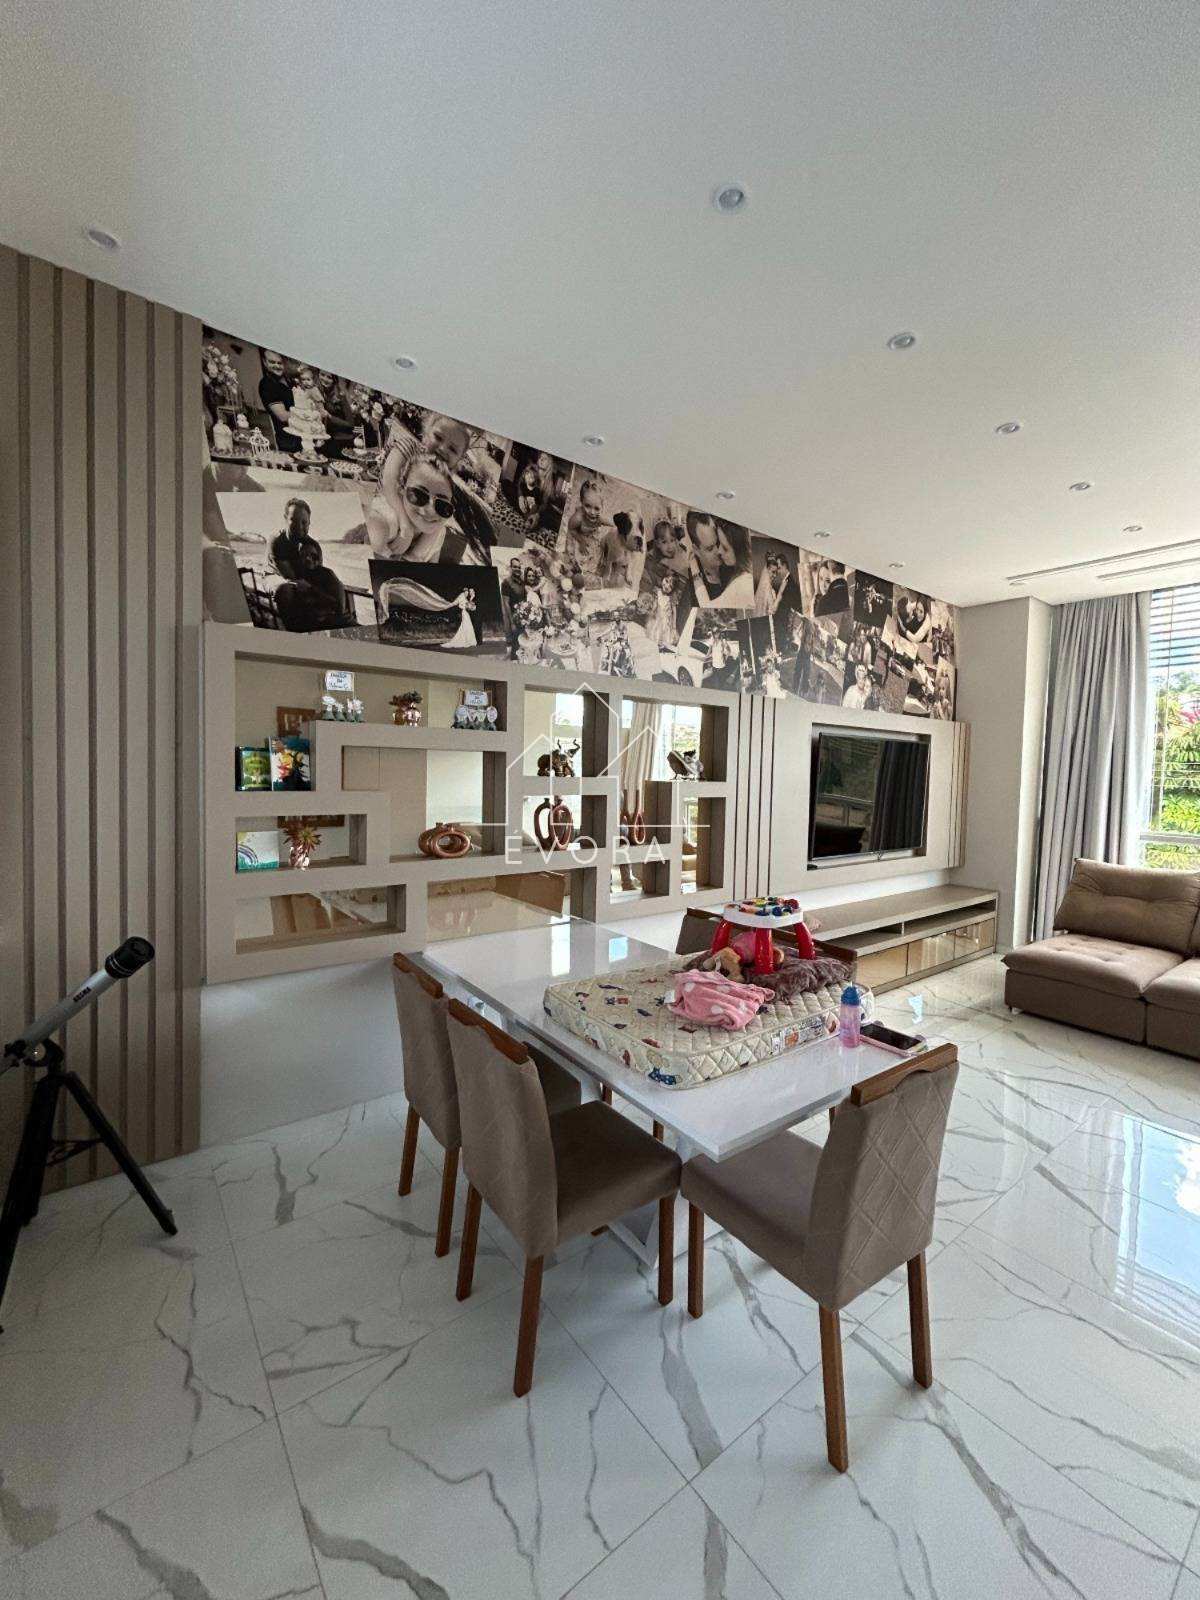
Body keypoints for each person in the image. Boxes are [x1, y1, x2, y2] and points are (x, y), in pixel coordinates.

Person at [274, 535, 354, 631]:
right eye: (304, 555)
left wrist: (310, 589)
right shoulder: (301, 576)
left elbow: (338, 606)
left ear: (318, 558)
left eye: (313, 555)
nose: (308, 559)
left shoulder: (327, 574)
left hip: (335, 622)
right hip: (315, 623)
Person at [686, 513, 754, 609]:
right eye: (710, 548)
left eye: (719, 542)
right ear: (696, 550)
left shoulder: (733, 564)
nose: (718, 551)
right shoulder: (690, 585)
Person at [258, 350, 300, 453]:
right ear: (265, 362)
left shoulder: (290, 382)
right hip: (287, 442)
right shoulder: (267, 384)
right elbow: (283, 416)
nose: (277, 366)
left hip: (303, 437)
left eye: (279, 363)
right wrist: (307, 415)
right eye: (272, 362)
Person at [270, 498, 312, 578]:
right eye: (294, 521)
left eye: (304, 522)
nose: (299, 527)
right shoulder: (277, 542)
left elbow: (318, 574)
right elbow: (290, 577)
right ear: (285, 519)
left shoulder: (313, 546)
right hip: (276, 578)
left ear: (309, 522)